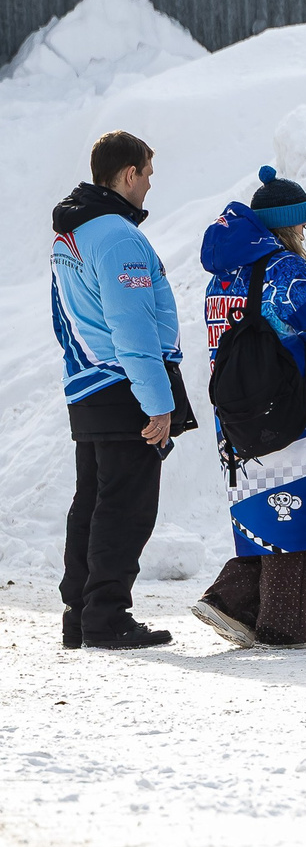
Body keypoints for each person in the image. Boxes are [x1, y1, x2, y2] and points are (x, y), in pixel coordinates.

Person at [50, 130, 189, 651]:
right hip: (122, 386)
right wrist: (157, 403)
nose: (150, 185)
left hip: (86, 383)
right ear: (127, 173)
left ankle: (79, 614)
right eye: (148, 174)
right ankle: (107, 617)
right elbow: (132, 326)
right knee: (126, 507)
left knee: (92, 500)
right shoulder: (118, 237)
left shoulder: (72, 234)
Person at [191, 171, 306, 648]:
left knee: (261, 512)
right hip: (291, 413)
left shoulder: (221, 276)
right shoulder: (287, 271)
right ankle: (282, 625)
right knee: (301, 512)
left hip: (235, 417)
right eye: (302, 227)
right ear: (288, 227)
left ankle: (232, 602)